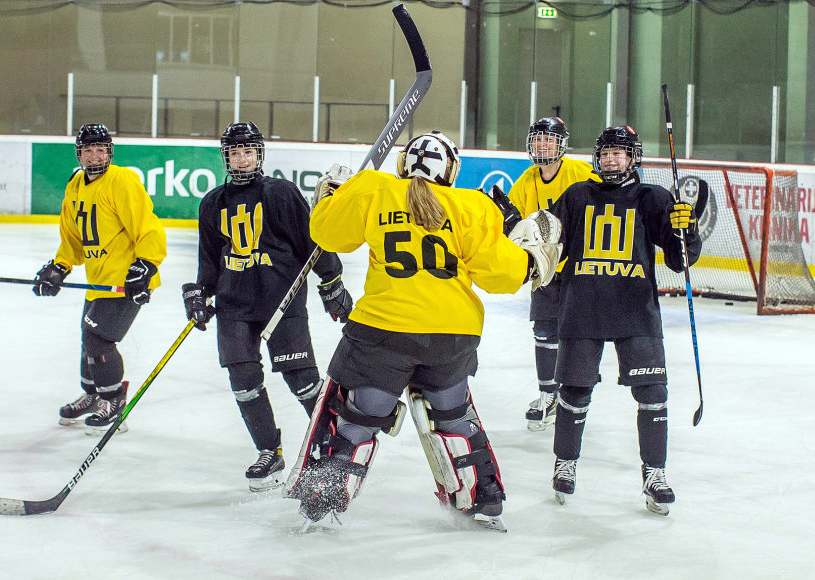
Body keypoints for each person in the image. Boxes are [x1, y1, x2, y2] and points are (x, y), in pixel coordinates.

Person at [283, 131, 563, 532]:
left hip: (384, 332)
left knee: (360, 418)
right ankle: (482, 499)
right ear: (450, 171)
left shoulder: (374, 188)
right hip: (452, 336)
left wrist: (330, 195)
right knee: (453, 417)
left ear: (403, 165)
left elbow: (327, 235)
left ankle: (323, 498)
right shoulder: (472, 205)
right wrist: (530, 258)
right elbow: (502, 275)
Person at [182, 121, 353, 492]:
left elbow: (313, 242)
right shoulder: (212, 203)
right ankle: (268, 450)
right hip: (233, 306)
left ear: (259, 153)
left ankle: (331, 444)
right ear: (225, 157)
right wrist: (199, 292)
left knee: (303, 382)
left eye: (248, 151)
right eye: (235, 152)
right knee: (244, 383)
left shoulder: (280, 193)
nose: (242, 160)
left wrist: (331, 281)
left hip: (282, 300)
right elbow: (209, 260)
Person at [546, 125, 702, 516]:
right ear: (597, 158)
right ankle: (565, 463)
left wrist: (688, 230)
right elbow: (547, 244)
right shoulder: (577, 195)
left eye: (620, 152)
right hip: (582, 308)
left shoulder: (652, 197)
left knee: (653, 394)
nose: (612, 159)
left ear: (634, 158)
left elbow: (679, 259)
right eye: (606, 153)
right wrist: (518, 229)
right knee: (575, 392)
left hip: (636, 311)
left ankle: (655, 474)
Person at [33, 123, 167, 436]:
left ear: (109, 152)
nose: (95, 154)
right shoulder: (76, 184)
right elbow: (71, 234)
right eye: (89, 149)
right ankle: (93, 395)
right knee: (87, 338)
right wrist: (60, 266)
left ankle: (113, 401)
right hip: (99, 281)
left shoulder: (121, 180)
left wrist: (146, 264)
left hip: (128, 280)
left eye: (101, 148)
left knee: (99, 339)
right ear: (79, 153)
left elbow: (148, 225)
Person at [508, 117, 600, 431]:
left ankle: (572, 395)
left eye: (549, 140)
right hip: (544, 269)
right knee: (544, 332)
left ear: (561, 144)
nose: (542, 145)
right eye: (538, 140)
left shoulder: (580, 173)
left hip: (577, 269)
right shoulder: (526, 180)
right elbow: (514, 221)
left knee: (574, 335)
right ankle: (547, 395)